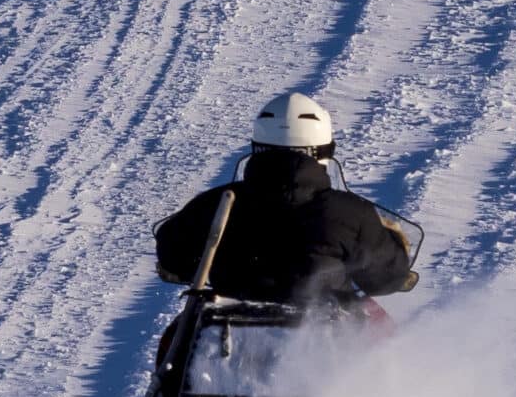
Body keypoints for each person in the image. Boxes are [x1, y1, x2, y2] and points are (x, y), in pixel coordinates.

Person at [153, 91, 416, 308]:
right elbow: (386, 278)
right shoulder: (352, 214)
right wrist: (394, 243)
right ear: (323, 149)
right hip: (320, 332)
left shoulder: (219, 202)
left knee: (177, 340)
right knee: (379, 330)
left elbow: (172, 257)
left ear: (258, 146)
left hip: (228, 321)